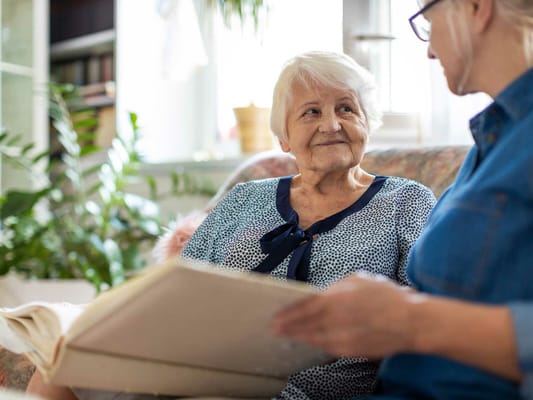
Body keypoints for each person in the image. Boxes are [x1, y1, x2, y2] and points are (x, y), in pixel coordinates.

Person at [26, 51, 436, 400]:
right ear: (284, 138)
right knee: (57, 370)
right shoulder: (245, 198)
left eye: (346, 108)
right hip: (198, 366)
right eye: (311, 112)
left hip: (309, 388)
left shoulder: (406, 201)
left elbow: (422, 315)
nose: (331, 124)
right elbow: (174, 289)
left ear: (368, 123)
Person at [272, 1, 533, 399]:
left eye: (428, 22)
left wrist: (410, 320)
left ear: (476, 8)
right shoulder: (491, 141)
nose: (429, 50)